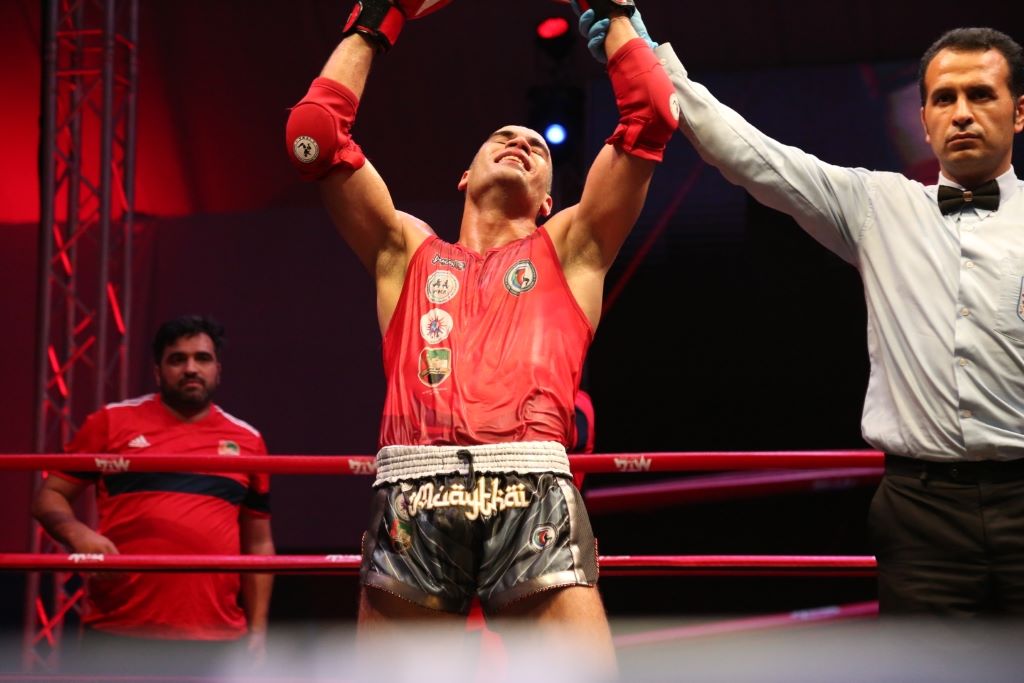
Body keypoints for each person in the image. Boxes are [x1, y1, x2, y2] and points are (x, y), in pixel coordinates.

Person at [577, 7, 1024, 616]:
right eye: (944, 98)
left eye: (981, 94)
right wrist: (647, 58)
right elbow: (748, 153)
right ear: (923, 120)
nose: (962, 112)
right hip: (922, 513)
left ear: (1018, 111)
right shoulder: (879, 205)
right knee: (928, 664)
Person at [284, 0, 676, 669]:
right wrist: (381, 16)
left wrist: (611, 13)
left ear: (549, 199)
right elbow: (313, 137)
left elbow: (653, 117)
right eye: (504, 136)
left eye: (539, 147)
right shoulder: (405, 251)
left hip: (531, 485)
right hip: (414, 486)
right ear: (465, 176)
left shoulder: (572, 246)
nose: (523, 142)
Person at [31, 315, 275, 672]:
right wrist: (78, 534)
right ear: (158, 372)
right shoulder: (111, 423)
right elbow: (49, 495)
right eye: (177, 359)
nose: (191, 368)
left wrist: (258, 629)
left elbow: (259, 542)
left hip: (216, 634)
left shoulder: (248, 441)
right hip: (119, 627)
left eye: (202, 358)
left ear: (217, 370)